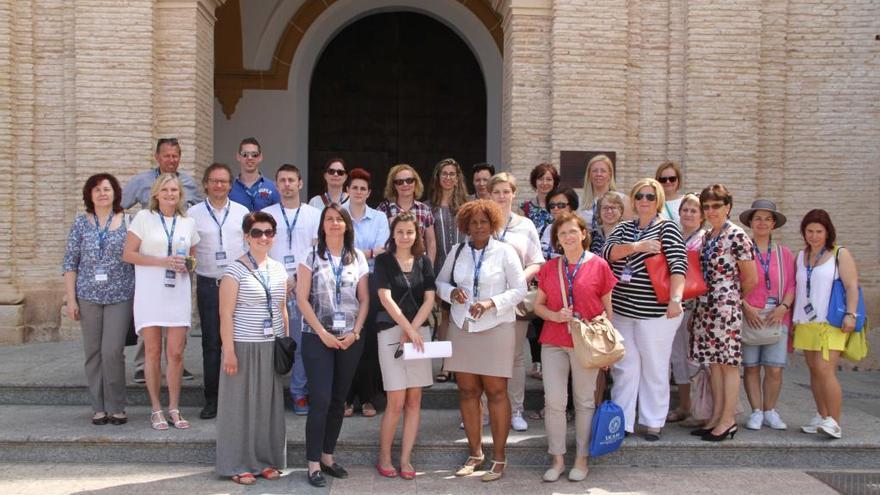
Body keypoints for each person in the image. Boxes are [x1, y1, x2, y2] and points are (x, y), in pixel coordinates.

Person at [436, 199, 526, 483]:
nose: (478, 227)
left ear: (492, 224)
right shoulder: (457, 251)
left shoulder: (505, 252)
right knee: (467, 391)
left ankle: (499, 458)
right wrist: (452, 293)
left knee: (497, 392)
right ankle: (475, 454)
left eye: (483, 222)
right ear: (465, 225)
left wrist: (491, 302)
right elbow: (440, 283)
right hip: (463, 327)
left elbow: (520, 289)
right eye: (473, 223)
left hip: (496, 326)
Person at [534, 212, 616, 482]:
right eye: (562, 234)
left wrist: (607, 348)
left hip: (588, 342)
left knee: (583, 401)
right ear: (557, 240)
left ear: (583, 233)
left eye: (572, 231)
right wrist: (555, 316)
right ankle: (557, 459)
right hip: (554, 340)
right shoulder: (550, 268)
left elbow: (608, 310)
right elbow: (538, 306)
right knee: (555, 402)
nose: (568, 237)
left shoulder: (599, 265)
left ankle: (582, 458)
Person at [602, 178, 686, 441]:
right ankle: (622, 421)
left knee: (655, 366)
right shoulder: (623, 227)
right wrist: (636, 247)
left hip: (656, 312)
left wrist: (675, 299)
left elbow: (678, 266)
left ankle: (653, 421)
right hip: (624, 310)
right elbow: (607, 253)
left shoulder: (667, 228)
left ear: (658, 200)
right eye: (640, 196)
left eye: (650, 196)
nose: (645, 201)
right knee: (625, 367)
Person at [297, 204, 369, 487]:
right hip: (317, 337)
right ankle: (312, 461)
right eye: (329, 219)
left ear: (347, 226)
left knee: (339, 400)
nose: (335, 223)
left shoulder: (358, 257)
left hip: (349, 339)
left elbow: (364, 299)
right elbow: (302, 299)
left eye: (340, 219)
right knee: (321, 400)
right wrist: (321, 332)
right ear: (322, 225)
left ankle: (327, 456)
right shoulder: (311, 255)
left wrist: (356, 332)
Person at [215, 211, 289, 485]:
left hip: (271, 347)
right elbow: (226, 314)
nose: (263, 237)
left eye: (269, 232)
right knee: (239, 406)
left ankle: (266, 461)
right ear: (246, 237)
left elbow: (281, 309)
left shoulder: (279, 268)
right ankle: (237, 463)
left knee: (267, 407)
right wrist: (229, 351)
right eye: (257, 232)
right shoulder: (234, 270)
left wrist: (286, 345)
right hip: (243, 346)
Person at [122, 173, 200, 430]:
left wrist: (185, 264)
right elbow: (128, 254)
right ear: (156, 194)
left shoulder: (188, 222)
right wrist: (161, 262)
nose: (169, 194)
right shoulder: (144, 218)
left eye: (174, 190)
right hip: (150, 292)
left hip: (176, 292)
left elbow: (192, 260)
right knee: (153, 352)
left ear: (180, 195)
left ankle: (174, 407)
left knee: (176, 353)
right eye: (165, 189)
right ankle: (156, 408)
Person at [63, 173, 135, 426]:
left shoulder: (128, 221)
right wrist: (71, 300)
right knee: (93, 352)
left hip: (121, 295)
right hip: (88, 296)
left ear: (115, 193)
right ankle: (98, 407)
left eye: (107, 189)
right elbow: (70, 262)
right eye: (96, 190)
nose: (102, 193)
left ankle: (117, 405)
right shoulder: (81, 223)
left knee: (112, 351)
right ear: (89, 195)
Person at [689, 184, 757, 442]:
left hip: (725, 309)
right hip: (706, 308)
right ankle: (716, 416)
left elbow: (750, 277)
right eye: (706, 206)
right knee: (714, 365)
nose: (711, 211)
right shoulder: (707, 236)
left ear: (728, 206)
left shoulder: (736, 235)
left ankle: (728, 420)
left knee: (728, 365)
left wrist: (732, 298)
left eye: (716, 206)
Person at [373, 212, 436, 480]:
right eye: (400, 231)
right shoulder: (384, 261)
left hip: (419, 333)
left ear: (416, 234)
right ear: (393, 233)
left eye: (410, 232)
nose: (405, 236)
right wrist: (407, 329)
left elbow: (429, 299)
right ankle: (384, 457)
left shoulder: (423, 261)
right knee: (396, 400)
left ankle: (406, 459)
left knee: (414, 400)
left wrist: (413, 330)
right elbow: (385, 298)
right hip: (391, 331)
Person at [792, 209, 860, 439]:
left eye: (819, 231)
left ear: (827, 232)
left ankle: (835, 421)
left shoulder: (839, 253)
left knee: (825, 369)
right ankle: (822, 415)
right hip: (806, 321)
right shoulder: (801, 256)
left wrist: (851, 314)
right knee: (813, 369)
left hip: (831, 322)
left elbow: (851, 286)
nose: (814, 236)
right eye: (809, 231)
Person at [188, 163, 249, 420]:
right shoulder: (193, 214)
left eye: (223, 181)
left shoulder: (243, 212)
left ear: (230, 185)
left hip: (237, 284)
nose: (219, 185)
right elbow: (189, 249)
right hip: (208, 285)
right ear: (205, 184)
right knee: (211, 344)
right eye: (214, 181)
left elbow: (249, 246)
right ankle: (212, 399)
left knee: (240, 342)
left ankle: (239, 397)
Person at [262, 164, 322, 416]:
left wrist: (297, 279)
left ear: (300, 184)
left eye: (291, 180)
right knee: (267, 342)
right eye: (282, 180)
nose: (287, 184)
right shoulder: (265, 214)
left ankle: (298, 393)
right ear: (276, 185)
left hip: (302, 287)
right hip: (271, 287)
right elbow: (259, 249)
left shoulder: (313, 215)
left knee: (299, 344)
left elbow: (318, 251)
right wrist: (278, 279)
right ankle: (267, 396)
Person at [489, 173, 545, 432]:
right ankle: (485, 409)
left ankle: (516, 410)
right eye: (497, 191)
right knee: (486, 356)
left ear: (513, 193)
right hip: (486, 300)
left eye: (506, 191)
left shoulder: (525, 225)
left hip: (515, 298)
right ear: (490, 194)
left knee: (515, 357)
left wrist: (519, 279)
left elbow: (537, 260)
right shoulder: (482, 220)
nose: (501, 196)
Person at [739, 200, 796, 431]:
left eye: (767, 218)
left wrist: (784, 306)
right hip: (750, 315)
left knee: (774, 368)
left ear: (774, 224)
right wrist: (745, 307)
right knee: (751, 367)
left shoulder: (784, 254)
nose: (762, 222)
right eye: (758, 218)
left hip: (776, 315)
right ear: (751, 222)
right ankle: (756, 411)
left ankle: (770, 409)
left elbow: (792, 284)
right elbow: (732, 282)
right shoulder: (742, 249)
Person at [343, 168, 390, 418]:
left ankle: (368, 397)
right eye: (354, 187)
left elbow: (382, 250)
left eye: (363, 188)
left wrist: (355, 251)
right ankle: (347, 397)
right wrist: (368, 252)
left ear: (369, 192)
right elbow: (338, 248)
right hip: (343, 282)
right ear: (347, 190)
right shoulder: (338, 215)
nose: (358, 192)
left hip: (371, 282)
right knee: (346, 337)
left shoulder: (380, 218)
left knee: (369, 339)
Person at [425, 158, 468, 382]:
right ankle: (444, 364)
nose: (448, 178)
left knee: (461, 314)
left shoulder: (467, 204)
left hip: (464, 265)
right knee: (443, 316)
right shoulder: (428, 206)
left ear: (458, 177)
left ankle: (460, 363)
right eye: (444, 174)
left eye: (452, 174)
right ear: (437, 178)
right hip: (440, 264)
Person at [665, 193, 705, 424]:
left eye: (694, 210)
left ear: (702, 215)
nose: (689, 214)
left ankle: (702, 406)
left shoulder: (705, 239)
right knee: (677, 356)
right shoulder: (673, 236)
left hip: (698, 308)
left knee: (697, 358)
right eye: (685, 210)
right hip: (674, 305)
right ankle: (684, 405)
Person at [377, 164, 437, 264]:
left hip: (418, 265)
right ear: (394, 186)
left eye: (409, 180)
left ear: (415, 183)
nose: (405, 185)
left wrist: (428, 268)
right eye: (400, 182)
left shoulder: (424, 209)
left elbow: (431, 242)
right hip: (391, 265)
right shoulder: (383, 209)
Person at [121, 137, 203, 210]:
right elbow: (117, 206)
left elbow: (201, 211)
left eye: (174, 156)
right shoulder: (141, 181)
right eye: (167, 156)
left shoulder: (189, 183)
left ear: (180, 157)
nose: (171, 160)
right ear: (157, 157)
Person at [228, 137, 280, 211]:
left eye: (254, 155)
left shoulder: (273, 188)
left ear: (260, 157)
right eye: (245, 154)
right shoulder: (229, 187)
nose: (249, 158)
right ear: (238, 157)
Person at [580, 154, 631, 230]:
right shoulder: (580, 202)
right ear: (589, 175)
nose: (598, 174)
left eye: (603, 171)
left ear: (610, 174)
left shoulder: (623, 200)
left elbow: (629, 229)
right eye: (595, 171)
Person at [540, 187, 580, 260]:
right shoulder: (542, 230)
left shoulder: (578, 231)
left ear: (571, 206)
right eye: (552, 205)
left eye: (561, 205)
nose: (556, 208)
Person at [519, 163, 559, 233]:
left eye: (549, 179)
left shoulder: (561, 206)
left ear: (554, 182)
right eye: (540, 179)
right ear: (535, 181)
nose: (544, 183)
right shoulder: (524, 208)